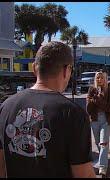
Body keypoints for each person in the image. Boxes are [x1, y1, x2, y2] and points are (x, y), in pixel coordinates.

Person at [0, 41, 95, 178]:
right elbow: (83, 174)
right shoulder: (73, 113)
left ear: (34, 68)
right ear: (66, 70)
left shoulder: (6, 106)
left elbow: (1, 166)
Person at [86, 70, 110, 176]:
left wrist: (97, 99)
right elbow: (88, 108)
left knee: (103, 143)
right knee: (99, 143)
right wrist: (93, 99)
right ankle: (103, 159)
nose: (100, 80)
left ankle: (103, 167)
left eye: (102, 77)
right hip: (94, 119)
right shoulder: (91, 89)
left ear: (105, 79)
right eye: (98, 78)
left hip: (106, 119)